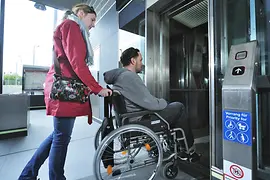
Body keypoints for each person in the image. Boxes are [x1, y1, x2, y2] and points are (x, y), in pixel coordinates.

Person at [19, 4, 112, 180]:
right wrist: (98, 88)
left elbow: (74, 63)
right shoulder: (71, 26)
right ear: (81, 14)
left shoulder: (69, 27)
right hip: (64, 92)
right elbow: (78, 63)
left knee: (58, 136)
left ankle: (27, 175)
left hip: (62, 90)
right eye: (92, 20)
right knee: (61, 139)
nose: (93, 24)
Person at [103, 47, 200, 162]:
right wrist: (164, 102)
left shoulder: (119, 77)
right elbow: (149, 102)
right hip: (140, 121)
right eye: (140, 60)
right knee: (178, 107)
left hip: (130, 119)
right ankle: (188, 150)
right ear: (133, 61)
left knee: (171, 110)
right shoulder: (129, 77)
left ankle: (172, 146)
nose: (141, 64)